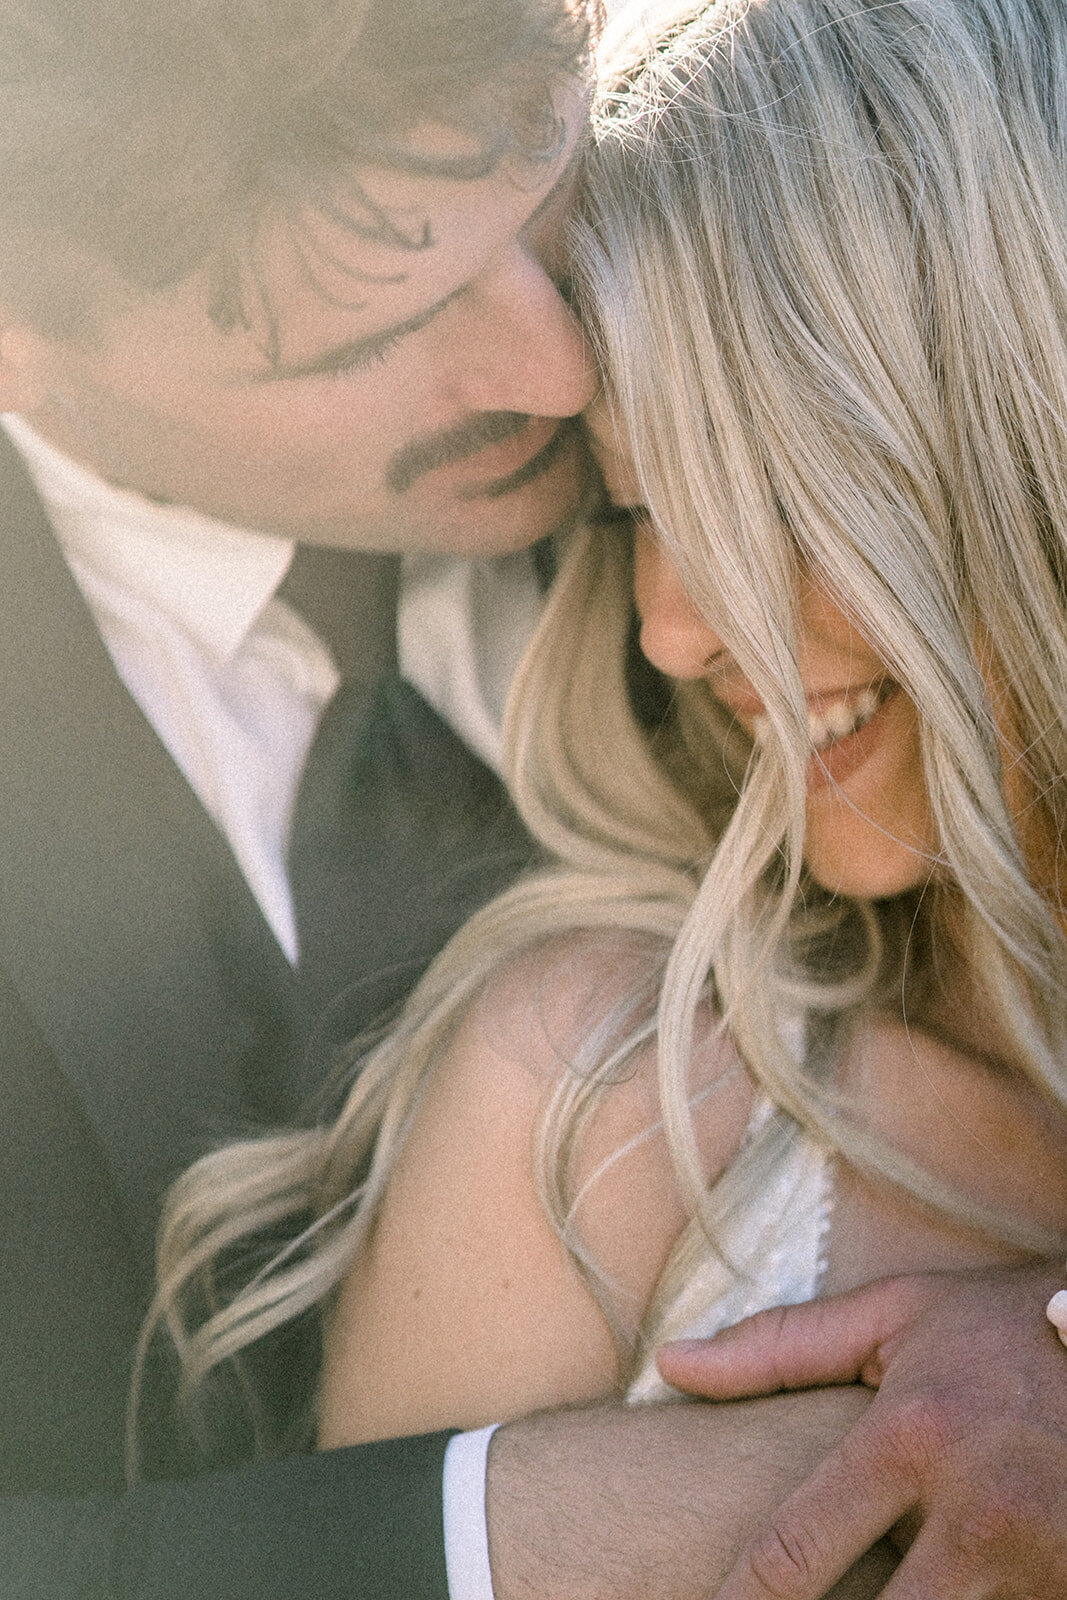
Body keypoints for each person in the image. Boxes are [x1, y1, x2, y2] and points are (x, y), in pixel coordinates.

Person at [0, 2, 919, 1598]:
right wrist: (576, 1518)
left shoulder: (801, 338)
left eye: (541, 193)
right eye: (366, 336)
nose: (555, 365)